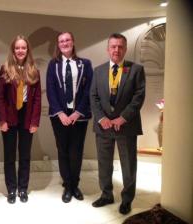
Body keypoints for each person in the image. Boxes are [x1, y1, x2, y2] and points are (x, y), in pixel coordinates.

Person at [90, 33, 145, 215]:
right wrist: (101, 118)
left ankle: (127, 199)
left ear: (125, 49)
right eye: (113, 46)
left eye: (120, 46)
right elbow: (94, 97)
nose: (116, 50)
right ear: (108, 49)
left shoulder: (136, 70)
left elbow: (138, 97)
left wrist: (123, 118)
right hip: (103, 126)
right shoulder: (98, 71)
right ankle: (106, 195)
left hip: (126, 126)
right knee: (104, 163)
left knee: (128, 164)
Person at [46, 32, 93, 203]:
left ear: (73, 42)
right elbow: (50, 90)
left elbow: (89, 90)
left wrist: (77, 112)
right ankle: (67, 185)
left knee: (76, 151)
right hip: (59, 116)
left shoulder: (85, 64)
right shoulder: (53, 64)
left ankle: (75, 185)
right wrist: (60, 113)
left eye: (67, 40)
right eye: (61, 41)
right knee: (63, 150)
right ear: (58, 45)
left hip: (78, 116)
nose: (64, 43)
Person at [0, 35, 41, 204]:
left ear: (27, 50)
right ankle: (12, 190)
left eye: (23, 48)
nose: (20, 50)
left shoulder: (34, 71)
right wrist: (2, 120)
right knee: (9, 156)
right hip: (9, 117)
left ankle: (23, 188)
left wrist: (35, 122)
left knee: (25, 156)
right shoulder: (5, 68)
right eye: (17, 48)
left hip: (27, 118)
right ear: (13, 50)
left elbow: (37, 99)